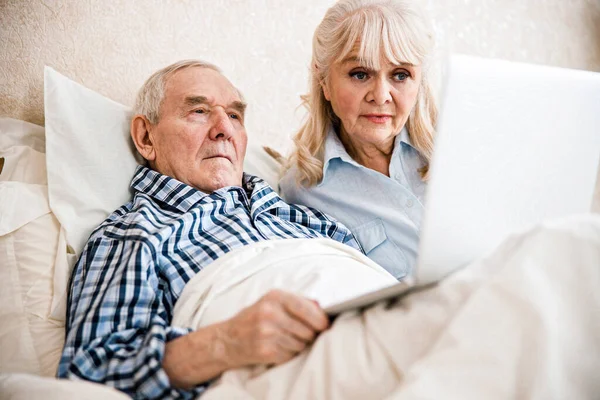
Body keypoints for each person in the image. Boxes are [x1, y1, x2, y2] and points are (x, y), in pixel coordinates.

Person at [57, 59, 365, 399]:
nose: (224, 129)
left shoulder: (308, 217)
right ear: (146, 137)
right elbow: (90, 376)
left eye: (234, 116)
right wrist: (226, 342)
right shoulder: (133, 235)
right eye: (199, 112)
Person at [279, 0, 437, 280]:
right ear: (324, 81)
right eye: (360, 74)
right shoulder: (304, 188)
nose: (381, 95)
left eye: (400, 75)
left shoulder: (457, 148)